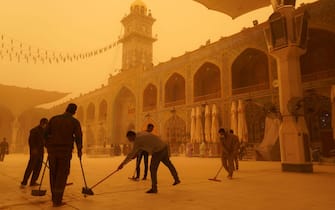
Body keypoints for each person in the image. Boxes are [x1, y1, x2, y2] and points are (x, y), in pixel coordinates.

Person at [45, 103, 82, 207]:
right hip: (65, 152)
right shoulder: (74, 122)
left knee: (53, 174)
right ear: (74, 111)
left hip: (53, 152)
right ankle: (57, 200)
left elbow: (45, 134)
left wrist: (49, 147)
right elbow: (78, 136)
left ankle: (54, 197)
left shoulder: (54, 119)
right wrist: (79, 150)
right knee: (62, 175)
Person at [21, 118, 48, 187]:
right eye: (45, 124)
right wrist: (33, 149)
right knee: (31, 166)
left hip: (41, 151)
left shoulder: (44, 131)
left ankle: (33, 181)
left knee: (38, 167)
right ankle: (24, 182)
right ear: (42, 123)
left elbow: (45, 141)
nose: (45, 126)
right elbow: (31, 141)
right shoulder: (34, 130)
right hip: (34, 152)